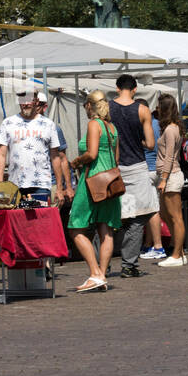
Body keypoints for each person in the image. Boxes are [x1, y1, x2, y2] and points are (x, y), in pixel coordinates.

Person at [66, 91, 120, 292]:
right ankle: (102, 275)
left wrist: (77, 161)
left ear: (89, 106)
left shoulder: (93, 124)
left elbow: (92, 153)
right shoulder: (112, 128)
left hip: (92, 179)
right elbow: (117, 157)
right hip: (111, 180)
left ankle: (95, 273)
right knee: (105, 229)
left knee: (75, 228)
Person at [107, 75, 157, 278]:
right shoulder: (142, 109)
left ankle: (104, 261)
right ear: (135, 89)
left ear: (117, 88)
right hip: (136, 168)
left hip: (114, 169)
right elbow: (151, 144)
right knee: (137, 218)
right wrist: (138, 141)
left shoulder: (108, 109)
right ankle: (129, 263)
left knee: (114, 217)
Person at [0, 90, 65, 205]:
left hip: (41, 185)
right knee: (16, 221)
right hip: (14, 185)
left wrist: (59, 188)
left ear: (36, 101)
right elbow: (1, 155)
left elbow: (55, 157)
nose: (26, 103)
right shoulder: (8, 123)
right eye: (22, 100)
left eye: (29, 100)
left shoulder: (48, 125)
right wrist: (0, 185)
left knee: (40, 220)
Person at [152, 93, 188, 268]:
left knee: (175, 217)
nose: (157, 109)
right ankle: (178, 252)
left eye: (159, 106)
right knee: (167, 215)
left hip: (171, 175)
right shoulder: (171, 128)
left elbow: (169, 157)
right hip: (168, 175)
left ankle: (177, 253)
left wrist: (164, 179)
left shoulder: (170, 129)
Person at [142, 111, 165, 260]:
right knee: (155, 209)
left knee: (151, 210)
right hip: (160, 169)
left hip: (148, 169)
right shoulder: (159, 124)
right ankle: (149, 244)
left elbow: (149, 145)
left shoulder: (144, 125)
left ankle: (157, 246)